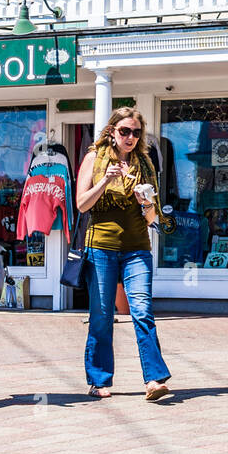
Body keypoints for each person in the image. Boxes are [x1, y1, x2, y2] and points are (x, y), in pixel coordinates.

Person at [75, 106, 171, 401]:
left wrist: (146, 202)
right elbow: (81, 205)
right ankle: (99, 379)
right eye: (124, 131)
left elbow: (151, 219)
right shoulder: (95, 158)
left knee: (142, 311)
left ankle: (154, 380)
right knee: (102, 315)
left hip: (137, 248)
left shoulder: (144, 163)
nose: (130, 137)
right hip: (101, 247)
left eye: (136, 132)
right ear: (112, 131)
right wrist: (105, 180)